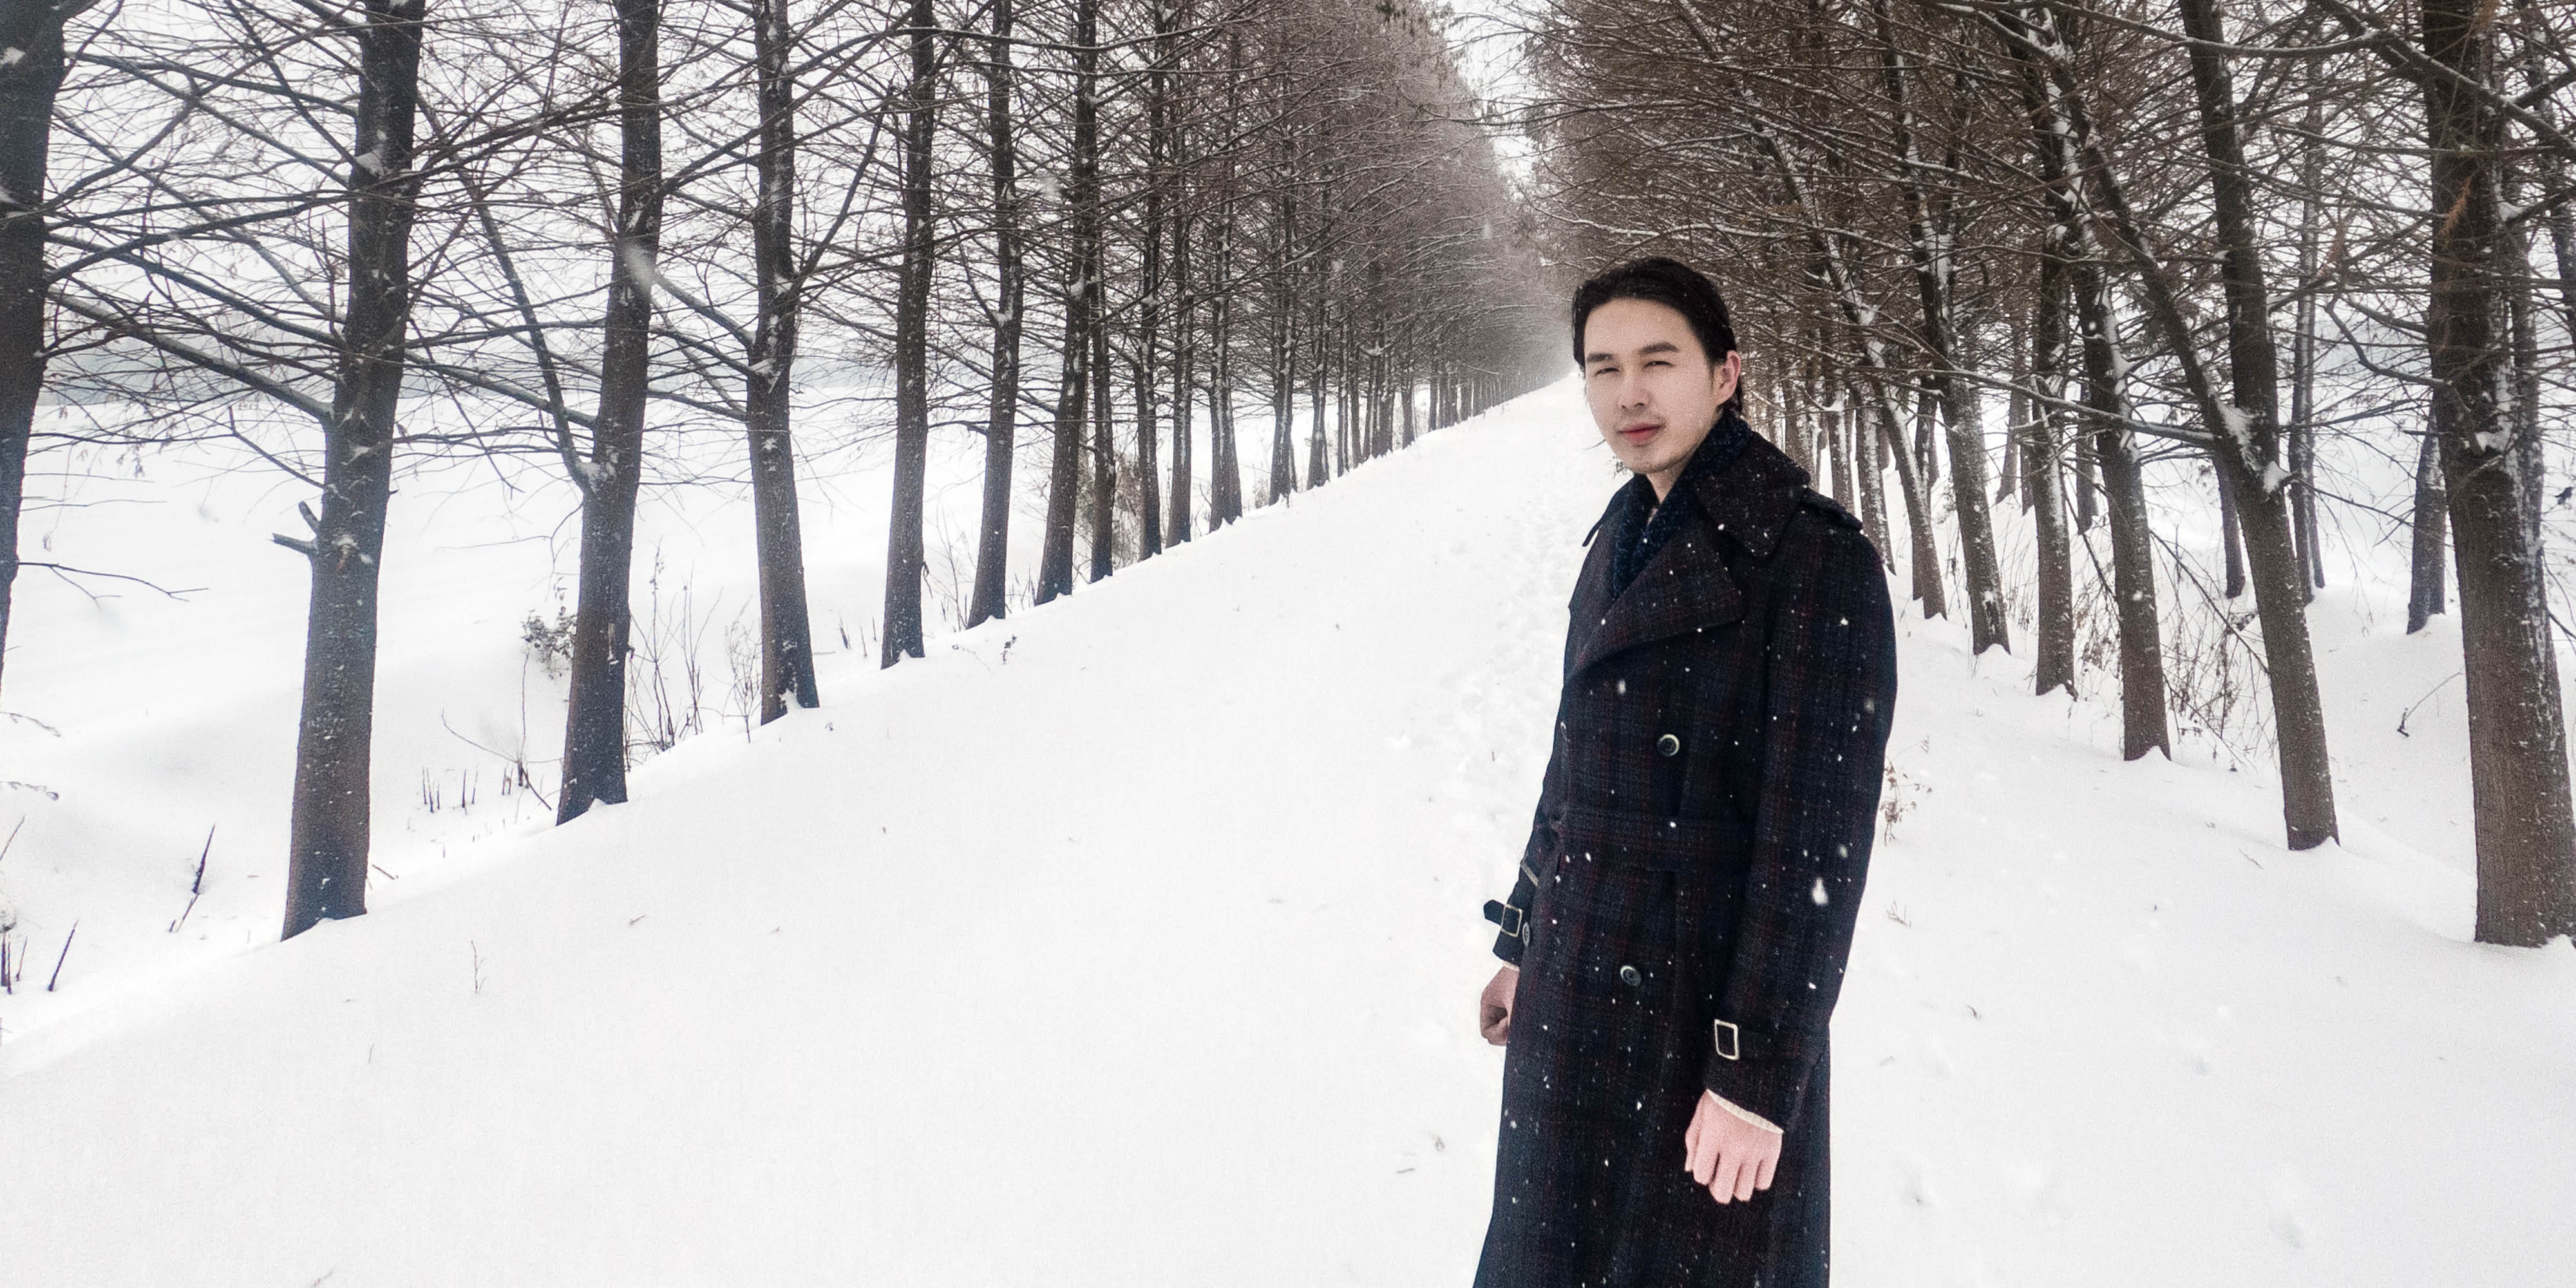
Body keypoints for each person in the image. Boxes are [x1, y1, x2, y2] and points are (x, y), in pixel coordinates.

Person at [1472, 256, 1898, 1287]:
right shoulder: (1617, 538)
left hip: (1700, 1022)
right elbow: (1573, 773)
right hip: (1577, 990)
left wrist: (1755, 1077)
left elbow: (1815, 856)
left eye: (1659, 361)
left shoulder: (1811, 559)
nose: (1630, 393)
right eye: (1603, 367)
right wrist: (1525, 940)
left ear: (1725, 373)